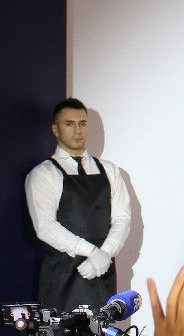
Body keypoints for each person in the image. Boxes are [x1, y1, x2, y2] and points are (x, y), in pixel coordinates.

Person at [25, 98, 131, 312]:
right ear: (55, 129)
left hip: (103, 274)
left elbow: (122, 218)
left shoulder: (110, 170)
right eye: (69, 124)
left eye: (82, 123)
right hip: (63, 278)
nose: (77, 130)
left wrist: (105, 254)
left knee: (104, 331)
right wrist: (91, 251)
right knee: (62, 332)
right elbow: (45, 226)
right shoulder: (43, 174)